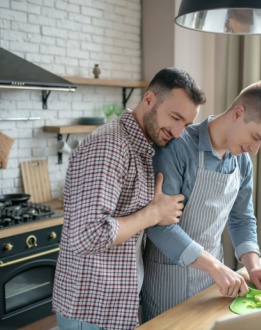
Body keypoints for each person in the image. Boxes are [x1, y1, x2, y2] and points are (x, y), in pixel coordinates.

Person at [52, 67, 206, 330]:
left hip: (115, 307)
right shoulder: (110, 146)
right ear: (149, 100)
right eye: (174, 117)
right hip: (91, 312)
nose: (179, 132)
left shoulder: (143, 147)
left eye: (187, 124)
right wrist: (154, 214)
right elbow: (89, 234)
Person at [141, 80, 261, 322]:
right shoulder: (178, 147)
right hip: (168, 280)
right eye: (255, 137)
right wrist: (216, 267)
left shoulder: (242, 161)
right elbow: (159, 226)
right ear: (238, 113)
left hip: (215, 280)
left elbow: (242, 218)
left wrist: (253, 267)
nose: (254, 150)